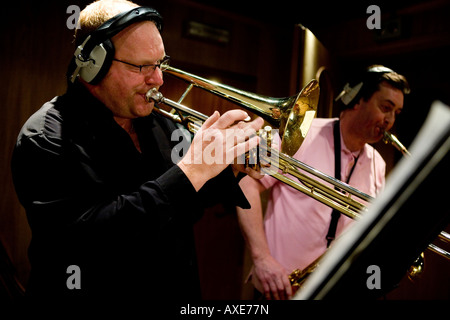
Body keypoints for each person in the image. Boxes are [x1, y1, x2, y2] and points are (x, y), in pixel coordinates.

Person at [11, 0, 263, 300]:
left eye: (160, 64)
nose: (158, 79)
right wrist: (193, 170)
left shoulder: (158, 125)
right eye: (141, 66)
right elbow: (89, 240)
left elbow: (186, 199)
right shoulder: (47, 136)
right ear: (94, 63)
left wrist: (229, 166)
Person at [237, 65, 410, 300]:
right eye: (385, 108)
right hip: (279, 289)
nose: (389, 120)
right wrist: (261, 258)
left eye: (396, 113)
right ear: (357, 99)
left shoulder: (377, 163)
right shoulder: (299, 133)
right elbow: (246, 183)